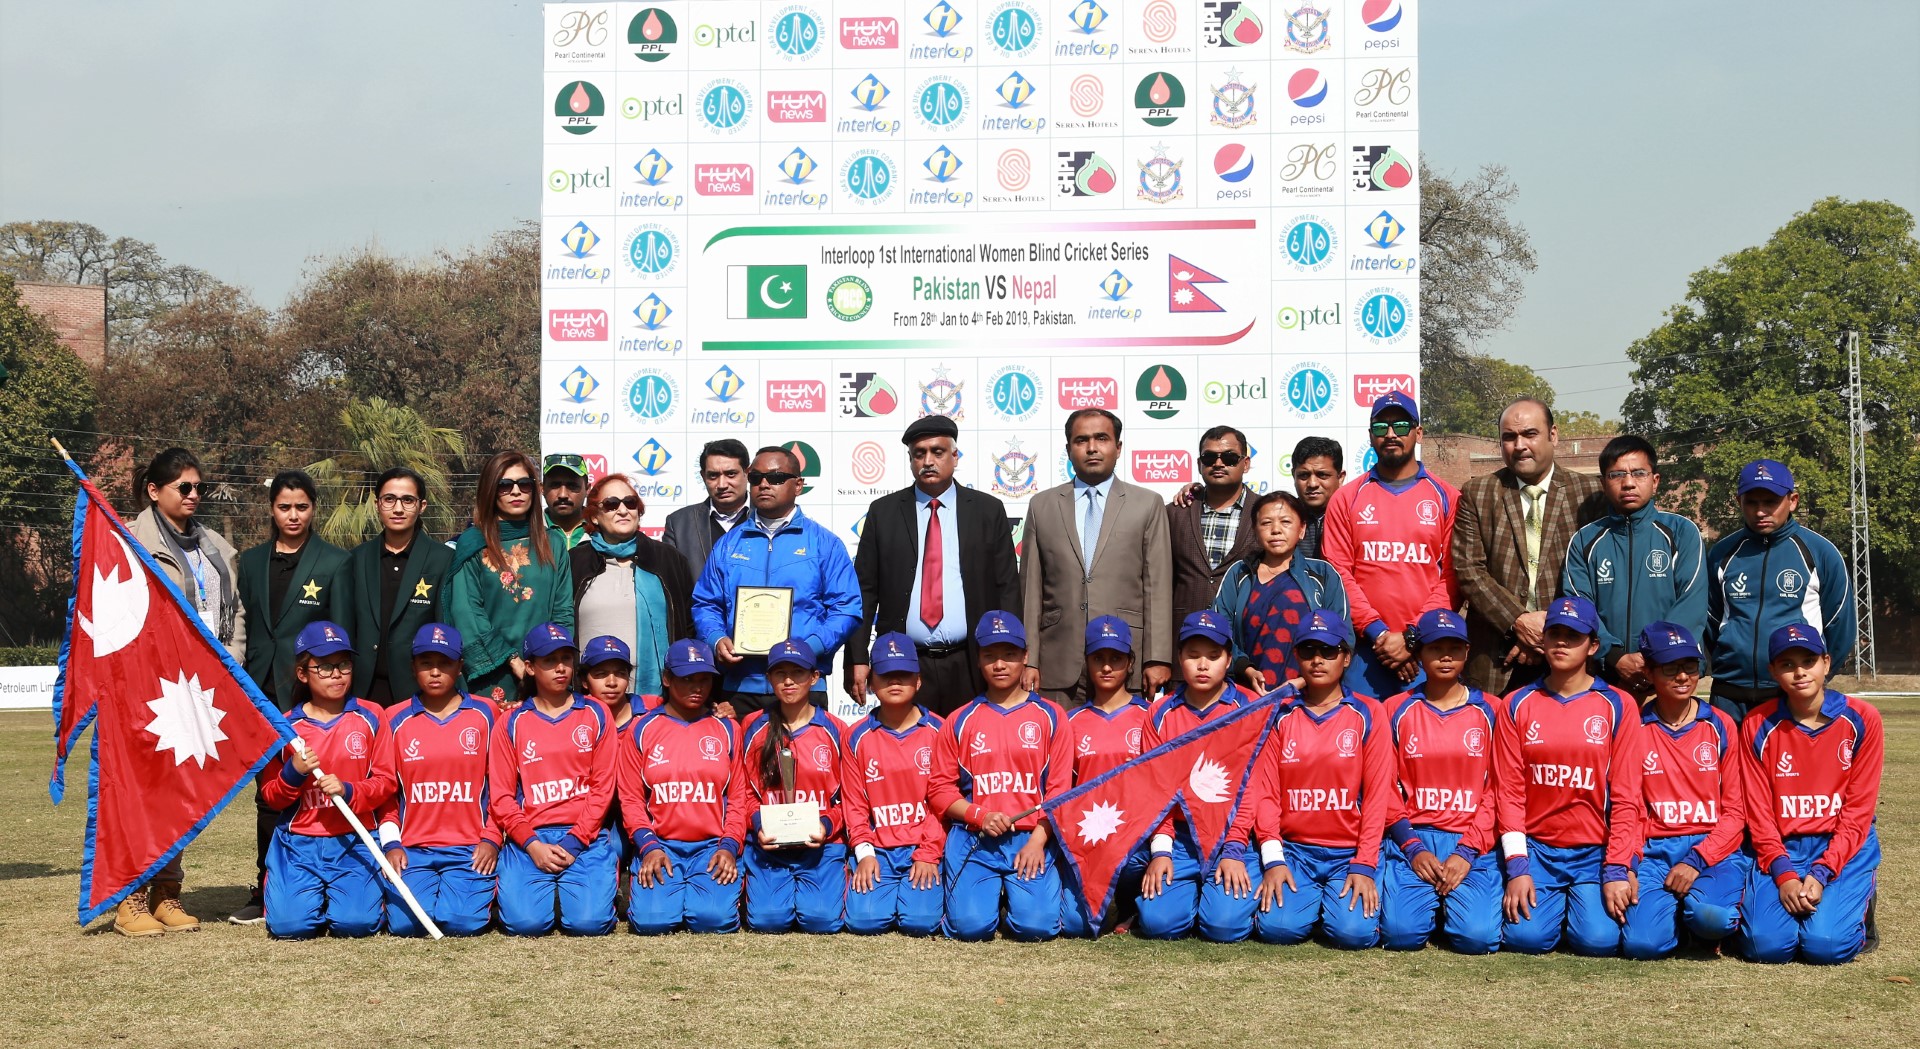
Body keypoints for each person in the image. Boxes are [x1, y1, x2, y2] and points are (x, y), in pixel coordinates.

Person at [115, 447, 245, 936]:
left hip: (202, 689)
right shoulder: (129, 542)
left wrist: (231, 660)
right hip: (149, 688)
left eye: (198, 487)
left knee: (183, 791)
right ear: (154, 490)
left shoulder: (214, 545)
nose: (194, 495)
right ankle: (130, 898)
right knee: (143, 793)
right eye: (183, 487)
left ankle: (167, 893)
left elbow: (234, 612)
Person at [1230, 610, 1393, 949]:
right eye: (1307, 651)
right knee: (1278, 931)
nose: (1317, 660)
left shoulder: (1369, 713)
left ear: (1346, 658)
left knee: (1353, 934)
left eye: (1328, 651)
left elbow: (1378, 795)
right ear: (1296, 657)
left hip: (1348, 852)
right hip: (1295, 853)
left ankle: (1336, 905)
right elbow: (1266, 794)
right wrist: (1273, 860)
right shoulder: (1280, 713)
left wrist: (1363, 864)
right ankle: (1311, 905)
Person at [1495, 596, 1644, 957]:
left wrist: (1618, 867)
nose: (1561, 642)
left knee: (1598, 941)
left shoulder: (1618, 705)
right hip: (1538, 850)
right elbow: (1510, 793)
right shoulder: (1515, 704)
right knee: (1524, 939)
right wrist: (1517, 868)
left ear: (1593, 646)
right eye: (1555, 634)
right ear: (1542, 641)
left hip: (1594, 850)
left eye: (1573, 636)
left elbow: (1626, 798)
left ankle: (1579, 908)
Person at [231, 469, 347, 925]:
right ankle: (264, 886)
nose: (293, 515)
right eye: (284, 507)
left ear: (313, 508)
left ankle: (328, 879)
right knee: (270, 793)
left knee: (315, 788)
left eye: (301, 507)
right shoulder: (252, 560)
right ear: (272, 510)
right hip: (259, 692)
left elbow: (339, 634)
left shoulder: (335, 561)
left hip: (310, 694)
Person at [849, 416, 1020, 716]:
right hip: (903, 662)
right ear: (910, 460)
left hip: (971, 660)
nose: (928, 461)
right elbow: (864, 591)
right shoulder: (883, 513)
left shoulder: (987, 510)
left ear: (955, 457)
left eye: (938, 452)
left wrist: (1010, 655)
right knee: (910, 754)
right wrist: (857, 658)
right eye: (919, 454)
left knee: (972, 749)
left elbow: (1007, 587)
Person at [1738, 624, 1883, 964]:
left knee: (1825, 946)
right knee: (1765, 947)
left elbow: (1858, 812)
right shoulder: (1758, 724)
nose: (1800, 671)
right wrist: (1786, 875)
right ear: (1773, 671)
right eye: (1787, 664)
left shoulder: (1862, 719)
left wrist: (1821, 873)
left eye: (1809, 660)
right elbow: (1758, 814)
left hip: (1842, 847)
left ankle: (1857, 906)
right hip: (1783, 848)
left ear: (1826, 663)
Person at [929, 612, 1071, 941]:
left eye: (1009, 654)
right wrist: (979, 814)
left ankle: (1015, 898)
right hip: (975, 839)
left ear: (1024, 657)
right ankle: (988, 895)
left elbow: (1061, 791)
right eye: (990, 655)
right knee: (969, 928)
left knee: (1036, 928)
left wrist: (1038, 841)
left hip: (1031, 837)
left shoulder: (1051, 716)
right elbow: (939, 789)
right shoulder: (960, 720)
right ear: (978, 660)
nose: (1000, 664)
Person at [691, 446, 860, 719]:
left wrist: (809, 648)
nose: (765, 484)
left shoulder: (824, 543)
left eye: (777, 477)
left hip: (803, 682)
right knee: (742, 761)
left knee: (804, 761)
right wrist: (716, 638)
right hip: (740, 686)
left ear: (799, 485)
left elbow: (847, 609)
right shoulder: (728, 544)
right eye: (756, 478)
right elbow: (705, 603)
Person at [1452, 399, 1607, 694]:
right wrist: (1518, 621)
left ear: (1553, 435)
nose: (1519, 445)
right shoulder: (1479, 492)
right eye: (1509, 437)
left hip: (1570, 654)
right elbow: (1468, 569)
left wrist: (1551, 630)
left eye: (1530, 434)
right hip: (1498, 658)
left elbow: (1597, 576)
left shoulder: (1591, 495)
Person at [1020, 409, 1173, 704]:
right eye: (1081, 440)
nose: (1092, 447)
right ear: (1068, 449)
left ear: (1118, 447)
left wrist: (1156, 657)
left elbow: (1158, 587)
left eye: (1101, 438)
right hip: (1058, 662)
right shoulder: (1042, 505)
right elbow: (1031, 592)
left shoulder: (1147, 504)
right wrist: (1030, 658)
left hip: (1125, 658)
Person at [257, 622, 397, 939]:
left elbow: (387, 782)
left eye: (343, 664)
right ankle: (294, 895)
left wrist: (349, 790)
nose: (336, 673)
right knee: (289, 927)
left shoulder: (372, 716)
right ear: (303, 673)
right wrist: (292, 772)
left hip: (354, 839)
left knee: (356, 925)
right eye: (324, 666)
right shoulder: (286, 728)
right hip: (299, 842)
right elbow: (271, 797)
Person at [1378, 610, 1504, 955]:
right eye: (1435, 648)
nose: (1445, 656)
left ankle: (1457, 907)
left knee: (1477, 939)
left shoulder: (1493, 710)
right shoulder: (1394, 709)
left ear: (1467, 652)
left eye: (1454, 648)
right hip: (1414, 839)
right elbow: (1383, 787)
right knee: (1401, 935)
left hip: (1471, 842)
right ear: (1418, 654)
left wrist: (1467, 851)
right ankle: (1427, 907)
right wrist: (1412, 847)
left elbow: (1500, 791)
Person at [1620, 622, 1747, 960]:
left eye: (1690, 666)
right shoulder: (1634, 727)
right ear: (1648, 671)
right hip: (1655, 854)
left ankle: (1705, 917)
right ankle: (1674, 918)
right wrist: (1628, 864)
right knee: (1641, 944)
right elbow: (1629, 808)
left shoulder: (1720, 725)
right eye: (1670, 667)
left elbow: (1736, 811)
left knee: (1712, 918)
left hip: (1712, 849)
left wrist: (1696, 859)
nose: (1682, 676)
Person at [1320, 392, 1460, 700]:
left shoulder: (1446, 496)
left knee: (1424, 745)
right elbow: (1339, 574)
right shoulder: (1346, 498)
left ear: (1418, 433)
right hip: (1365, 653)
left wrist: (1412, 637)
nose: (1391, 434)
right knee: (1364, 742)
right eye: (1381, 427)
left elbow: (1451, 576)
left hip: (1427, 650)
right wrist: (1380, 634)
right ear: (1371, 436)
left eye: (1401, 425)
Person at [1136, 611, 1266, 942]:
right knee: (1158, 924)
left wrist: (1235, 847)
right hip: (1179, 837)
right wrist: (1161, 850)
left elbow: (1252, 785)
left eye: (1213, 656)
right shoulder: (1160, 714)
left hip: (1229, 834)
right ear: (1180, 659)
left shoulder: (1249, 708)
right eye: (1193, 656)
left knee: (1224, 927)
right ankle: (1184, 897)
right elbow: (1154, 788)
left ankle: (1217, 899)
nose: (1203, 665)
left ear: (1228, 659)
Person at [488, 623, 618, 936]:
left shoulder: (597, 713)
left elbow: (602, 790)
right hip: (530, 836)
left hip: (584, 837)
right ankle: (549, 894)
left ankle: (573, 895)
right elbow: (502, 797)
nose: (561, 668)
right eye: (549, 660)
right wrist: (532, 845)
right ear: (530, 668)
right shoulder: (511, 722)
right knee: (525, 925)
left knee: (589, 924)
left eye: (566, 658)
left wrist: (575, 842)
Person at [1706, 459, 1857, 718]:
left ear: (1793, 500)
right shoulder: (1722, 553)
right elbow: (1709, 620)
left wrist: (1813, 678)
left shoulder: (1820, 552)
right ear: (1738, 501)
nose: (1761, 511)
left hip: (1790, 695)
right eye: (1752, 502)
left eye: (1770, 502)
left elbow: (1840, 625)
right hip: (1729, 693)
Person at [376, 624, 499, 937]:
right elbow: (386, 792)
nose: (435, 672)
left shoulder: (487, 713)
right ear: (413, 667)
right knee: (407, 925)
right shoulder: (393, 718)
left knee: (461, 922)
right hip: (413, 848)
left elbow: (503, 785)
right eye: (426, 664)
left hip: (470, 847)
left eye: (444, 663)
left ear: (459, 667)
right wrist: (391, 844)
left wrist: (491, 838)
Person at [1561, 435, 1706, 700]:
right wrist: (1615, 657)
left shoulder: (1682, 532)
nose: (1628, 483)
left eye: (1639, 473)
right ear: (1604, 483)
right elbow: (1579, 607)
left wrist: (1656, 657)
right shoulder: (1585, 540)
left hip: (1669, 676)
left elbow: (1691, 605)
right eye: (1617, 475)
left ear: (1655, 481)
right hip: (1605, 677)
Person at [618, 639, 747, 935]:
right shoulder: (642, 728)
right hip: (662, 846)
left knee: (715, 921)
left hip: (711, 847)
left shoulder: (727, 728)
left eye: (703, 679)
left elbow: (738, 800)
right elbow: (631, 800)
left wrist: (729, 847)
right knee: (652, 923)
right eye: (686, 679)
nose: (696, 686)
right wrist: (648, 847)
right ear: (666, 678)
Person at [733, 638, 851, 934]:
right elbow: (744, 792)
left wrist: (827, 824)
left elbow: (848, 799)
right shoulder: (751, 726)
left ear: (814, 677)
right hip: (769, 847)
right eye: (779, 673)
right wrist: (758, 822)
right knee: (767, 921)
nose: (788, 681)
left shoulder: (837, 730)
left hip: (821, 847)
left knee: (821, 921)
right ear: (769, 678)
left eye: (797, 672)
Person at [842, 633, 947, 937]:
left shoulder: (940, 731)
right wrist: (864, 854)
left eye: (904, 674)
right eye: (886, 675)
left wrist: (928, 853)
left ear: (918, 681)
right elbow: (854, 803)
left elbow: (944, 802)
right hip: (879, 850)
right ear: (871, 682)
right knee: (864, 922)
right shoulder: (856, 736)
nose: (895, 681)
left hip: (923, 847)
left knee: (920, 922)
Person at [449, 452, 575, 703]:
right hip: (493, 673)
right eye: (505, 485)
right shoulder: (474, 544)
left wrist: (551, 661)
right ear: (490, 491)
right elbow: (468, 613)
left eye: (524, 484)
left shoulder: (553, 543)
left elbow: (563, 612)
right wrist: (514, 661)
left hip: (546, 672)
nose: (516, 491)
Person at [1060, 616, 1152, 938]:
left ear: (1130, 662)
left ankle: (1132, 904)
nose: (1107, 667)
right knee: (1074, 926)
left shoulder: (1150, 717)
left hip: (1135, 835)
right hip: (1088, 836)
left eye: (1116, 658)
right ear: (1087, 661)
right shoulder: (1071, 721)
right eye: (1099, 658)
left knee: (1135, 862)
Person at [570, 472, 695, 705]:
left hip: (657, 698)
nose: (623, 510)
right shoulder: (573, 562)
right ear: (595, 516)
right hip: (588, 700)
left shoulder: (669, 559)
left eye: (630, 503)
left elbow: (688, 626)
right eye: (611, 504)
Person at [1211, 491, 1353, 693]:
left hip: (1310, 694)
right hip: (1248, 693)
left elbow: (1343, 635)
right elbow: (1219, 633)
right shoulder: (1239, 574)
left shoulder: (1323, 574)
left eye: (1285, 522)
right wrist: (1247, 670)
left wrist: (1303, 681)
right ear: (1255, 530)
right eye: (1266, 523)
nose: (1275, 530)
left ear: (1302, 529)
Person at [337, 467, 454, 706]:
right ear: (377, 504)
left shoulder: (442, 559)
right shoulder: (356, 559)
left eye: (407, 500)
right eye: (389, 499)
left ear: (422, 506)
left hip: (418, 689)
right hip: (363, 688)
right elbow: (345, 625)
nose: (398, 508)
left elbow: (445, 625)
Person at [1166, 425, 1260, 627]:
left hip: (1246, 633)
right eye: (1209, 458)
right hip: (1185, 635)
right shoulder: (1174, 512)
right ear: (1200, 464)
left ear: (1245, 464)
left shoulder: (1265, 512)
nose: (1218, 463)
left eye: (1229, 458)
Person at [663, 439, 752, 576]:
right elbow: (671, 579)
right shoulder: (679, 523)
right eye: (713, 476)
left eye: (731, 474)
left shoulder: (769, 516)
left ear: (747, 473)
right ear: (703, 476)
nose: (722, 484)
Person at [1291, 436, 1347, 563]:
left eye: (1322, 475)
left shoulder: (1355, 518)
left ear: (1340, 477)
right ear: (1293, 475)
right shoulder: (1282, 518)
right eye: (1304, 475)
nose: (1312, 484)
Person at [542, 452, 591, 551]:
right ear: (542, 489)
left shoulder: (603, 531)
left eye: (572, 486)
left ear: (587, 489)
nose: (563, 495)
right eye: (555, 485)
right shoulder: (528, 532)